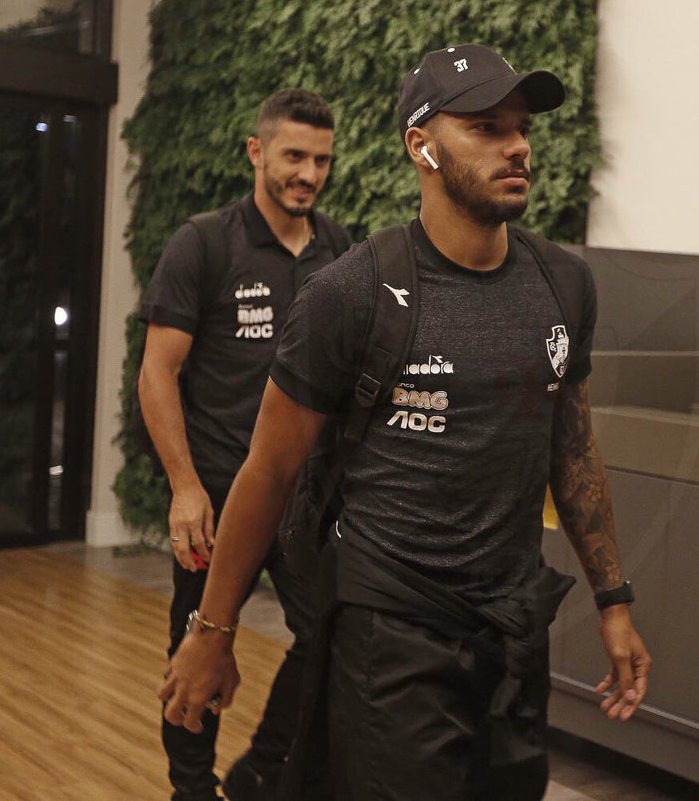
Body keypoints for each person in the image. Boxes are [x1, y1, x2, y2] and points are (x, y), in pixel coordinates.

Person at [158, 45, 652, 800]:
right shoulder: (351, 292)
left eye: (521, 128)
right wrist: (212, 632)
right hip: (391, 631)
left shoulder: (564, 284)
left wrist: (613, 600)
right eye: (486, 127)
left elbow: (573, 448)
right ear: (421, 146)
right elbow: (271, 469)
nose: (517, 146)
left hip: (513, 626)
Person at [138, 88, 353, 801]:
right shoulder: (204, 243)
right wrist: (185, 487)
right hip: (218, 500)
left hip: (304, 503)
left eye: (321, 160)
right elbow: (158, 373)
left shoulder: (340, 250)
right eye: (294, 156)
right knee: (199, 650)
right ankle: (191, 791)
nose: (309, 174)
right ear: (257, 152)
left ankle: (262, 768)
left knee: (331, 636)